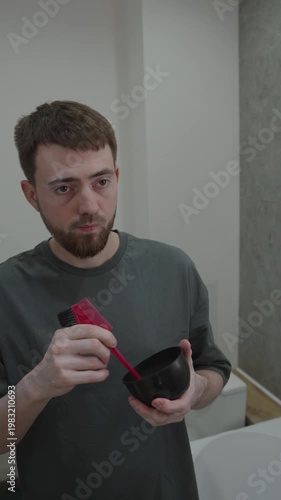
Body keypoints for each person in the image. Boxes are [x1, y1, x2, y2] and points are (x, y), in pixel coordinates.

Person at [0, 100, 231, 500]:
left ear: (117, 177)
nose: (89, 205)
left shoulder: (173, 267)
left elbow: (213, 369)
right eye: (63, 187)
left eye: (102, 182)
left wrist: (195, 391)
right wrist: (37, 385)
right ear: (32, 194)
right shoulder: (6, 290)